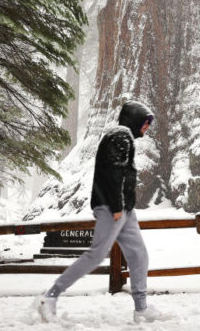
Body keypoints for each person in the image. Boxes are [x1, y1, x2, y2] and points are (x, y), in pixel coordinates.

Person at [37, 101, 172, 324]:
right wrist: (117, 207)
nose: (147, 128)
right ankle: (49, 297)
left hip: (124, 210)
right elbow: (113, 172)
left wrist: (124, 208)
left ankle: (141, 309)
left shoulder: (123, 136)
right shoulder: (120, 135)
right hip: (113, 207)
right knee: (95, 255)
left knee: (139, 255)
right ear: (135, 118)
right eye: (145, 122)